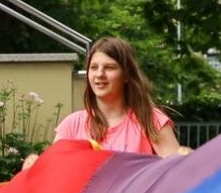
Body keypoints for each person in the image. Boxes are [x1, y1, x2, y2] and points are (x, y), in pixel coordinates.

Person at [22, 36, 189, 169]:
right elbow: (53, 174)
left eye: (109, 68)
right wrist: (35, 167)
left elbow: (175, 174)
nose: (99, 74)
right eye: (93, 68)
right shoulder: (72, 125)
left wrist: (187, 160)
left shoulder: (151, 119)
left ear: (126, 76)